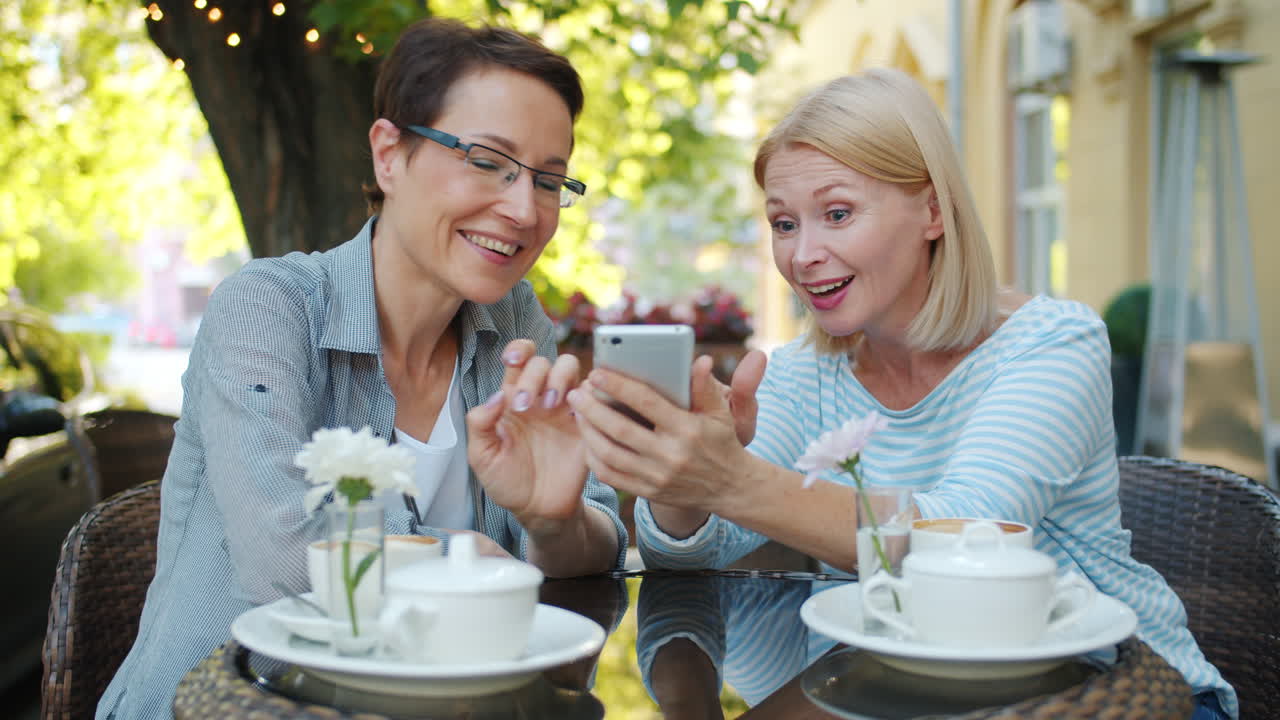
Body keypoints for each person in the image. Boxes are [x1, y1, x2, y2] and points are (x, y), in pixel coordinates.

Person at [565, 68, 1235, 718]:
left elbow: (964, 536)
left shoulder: (1053, 343)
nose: (802, 255)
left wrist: (730, 480)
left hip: (1119, 692)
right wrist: (684, 485)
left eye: (836, 212)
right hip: (894, 693)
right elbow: (696, 551)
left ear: (934, 211)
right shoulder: (802, 372)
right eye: (784, 223)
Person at [98, 18, 624, 719]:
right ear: (389, 155)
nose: (524, 208)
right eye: (486, 160)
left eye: (550, 181)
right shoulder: (268, 309)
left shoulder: (516, 324)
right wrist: (457, 554)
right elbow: (285, 559)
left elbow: (594, 544)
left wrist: (552, 519)